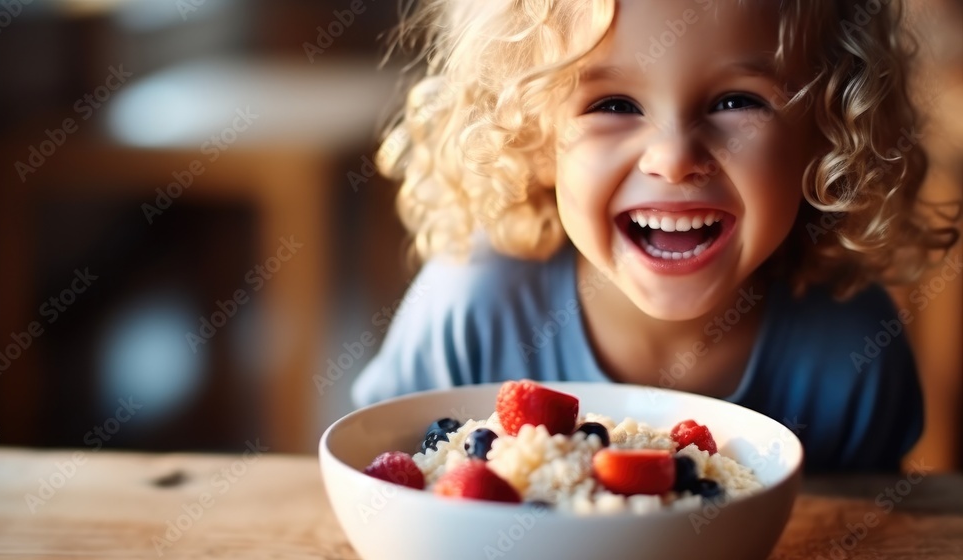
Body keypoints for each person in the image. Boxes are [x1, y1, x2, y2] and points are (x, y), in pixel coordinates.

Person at [351, 0, 959, 472]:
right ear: (534, 138)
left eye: (735, 100)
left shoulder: (854, 351)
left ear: (827, 136)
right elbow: (384, 481)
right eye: (614, 104)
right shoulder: (470, 312)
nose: (673, 158)